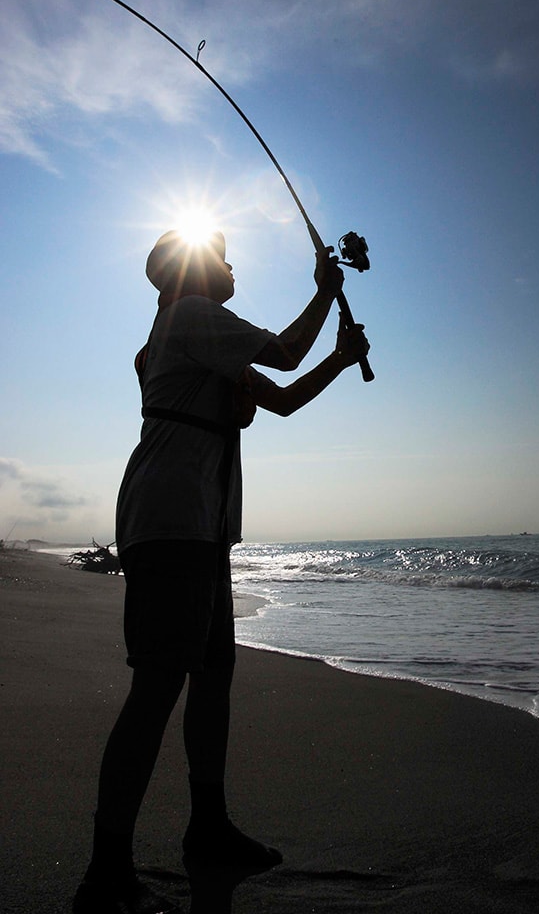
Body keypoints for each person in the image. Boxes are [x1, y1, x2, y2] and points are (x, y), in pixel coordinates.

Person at [73, 229, 370, 914]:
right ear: (193, 272)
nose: (233, 265)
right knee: (158, 687)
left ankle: (207, 827)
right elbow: (285, 352)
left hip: (200, 528)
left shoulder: (195, 330)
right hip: (172, 519)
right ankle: (105, 871)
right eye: (223, 257)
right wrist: (326, 293)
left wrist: (339, 357)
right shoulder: (191, 315)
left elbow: (285, 396)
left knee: (212, 679)